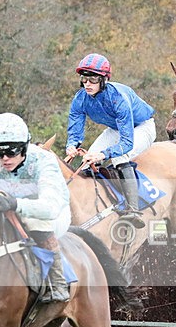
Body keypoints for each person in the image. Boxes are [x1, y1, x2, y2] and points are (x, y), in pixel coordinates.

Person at [0, 113, 72, 302]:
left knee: (36, 222)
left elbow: (50, 208)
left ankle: (58, 284)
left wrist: (15, 203)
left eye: (11, 152)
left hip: (52, 215)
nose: (4, 159)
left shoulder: (44, 161)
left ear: (25, 146)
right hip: (14, 210)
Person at [66, 53, 155, 228]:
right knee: (86, 161)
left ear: (103, 80)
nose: (87, 84)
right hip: (115, 129)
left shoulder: (118, 98)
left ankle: (133, 209)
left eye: (93, 80)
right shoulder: (80, 98)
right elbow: (76, 125)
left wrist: (103, 154)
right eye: (84, 79)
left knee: (119, 157)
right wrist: (72, 145)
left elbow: (127, 143)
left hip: (142, 127)